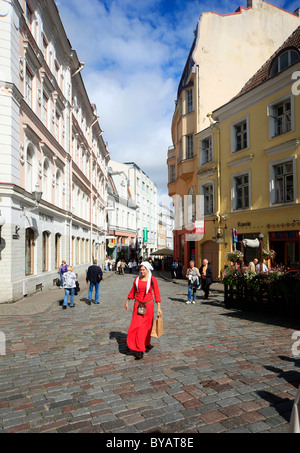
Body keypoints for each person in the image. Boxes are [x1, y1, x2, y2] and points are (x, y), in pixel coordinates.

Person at [124, 261, 162, 360]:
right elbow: (133, 291)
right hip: (138, 305)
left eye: (143, 270)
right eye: (140, 270)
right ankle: (139, 350)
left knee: (147, 327)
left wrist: (159, 307)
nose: (142, 272)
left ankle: (146, 343)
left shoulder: (153, 280)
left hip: (148, 306)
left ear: (148, 269)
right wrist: (127, 301)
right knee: (137, 327)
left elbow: (157, 293)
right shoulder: (137, 279)